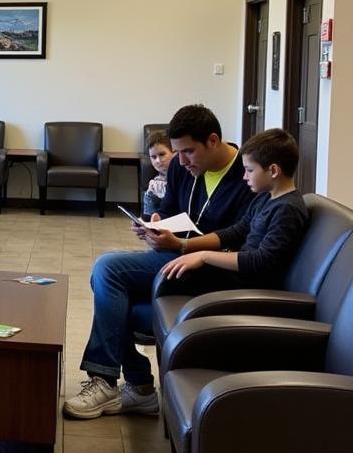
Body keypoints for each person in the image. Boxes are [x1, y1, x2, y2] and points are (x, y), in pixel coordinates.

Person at [63, 104, 256, 420]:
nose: (180, 161)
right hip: (175, 257)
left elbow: (238, 238)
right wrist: (155, 224)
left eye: (188, 152)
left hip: (210, 269)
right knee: (111, 289)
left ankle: (113, 383)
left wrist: (181, 244)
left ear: (212, 141)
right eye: (177, 153)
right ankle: (135, 388)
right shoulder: (183, 166)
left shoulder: (246, 175)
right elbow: (169, 209)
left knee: (107, 269)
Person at [159, 128, 308, 291]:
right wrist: (185, 245)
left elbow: (261, 260)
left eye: (250, 170)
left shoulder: (287, 209)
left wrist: (204, 256)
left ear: (273, 170)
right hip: (238, 275)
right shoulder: (266, 197)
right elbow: (237, 231)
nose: (244, 177)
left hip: (248, 286)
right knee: (172, 274)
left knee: (173, 278)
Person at [142, 129, 174, 218]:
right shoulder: (154, 184)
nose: (158, 161)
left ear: (174, 152)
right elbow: (148, 215)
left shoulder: (185, 177)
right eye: (153, 157)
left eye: (162, 154)